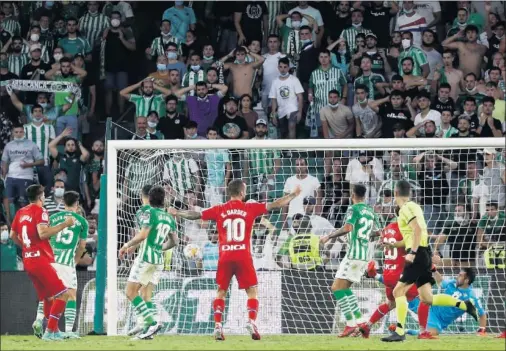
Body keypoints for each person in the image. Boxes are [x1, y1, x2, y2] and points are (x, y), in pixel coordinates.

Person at [169, 179, 302, 341]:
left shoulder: (219, 209)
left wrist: (178, 213)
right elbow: (275, 204)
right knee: (252, 291)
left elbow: (197, 214)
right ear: (241, 193)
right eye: (245, 190)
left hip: (225, 256)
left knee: (221, 291)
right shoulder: (250, 207)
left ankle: (218, 325)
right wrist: (293, 194)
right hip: (243, 256)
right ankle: (251, 322)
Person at [381, 180, 478, 342]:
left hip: (417, 254)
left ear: (395, 193)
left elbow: (417, 230)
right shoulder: (416, 207)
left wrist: (412, 253)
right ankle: (464, 305)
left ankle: (399, 332)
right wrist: (393, 244)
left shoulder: (405, 208)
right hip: (424, 252)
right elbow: (412, 236)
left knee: (398, 292)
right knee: (427, 298)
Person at [10, 184, 75, 340]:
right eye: (44, 195)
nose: (45, 197)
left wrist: (26, 247)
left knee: (47, 297)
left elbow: (13, 235)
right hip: (40, 259)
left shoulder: (20, 212)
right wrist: (65, 224)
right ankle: (50, 331)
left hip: (28, 260)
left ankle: (55, 330)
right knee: (64, 294)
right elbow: (43, 233)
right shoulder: (41, 211)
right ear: (40, 197)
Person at [118, 185, 178, 340]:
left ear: (149, 198)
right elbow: (174, 241)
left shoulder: (149, 212)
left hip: (145, 258)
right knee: (145, 293)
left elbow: (143, 234)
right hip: (158, 260)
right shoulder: (169, 217)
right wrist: (160, 247)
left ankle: (151, 322)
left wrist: (127, 245)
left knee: (130, 292)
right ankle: (147, 329)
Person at [319, 184, 380, 337]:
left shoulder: (353, 209)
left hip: (353, 254)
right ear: (364, 196)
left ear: (353, 195)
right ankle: (358, 323)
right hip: (363, 255)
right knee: (345, 288)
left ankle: (353, 324)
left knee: (336, 288)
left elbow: (347, 228)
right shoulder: (371, 211)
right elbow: (378, 232)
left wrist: (328, 236)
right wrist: (365, 236)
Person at [32, 190, 88, 339]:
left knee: (48, 294)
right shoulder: (82, 222)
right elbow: (82, 246)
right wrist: (75, 261)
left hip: (51, 261)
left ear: (63, 203)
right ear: (77, 204)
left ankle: (38, 320)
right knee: (70, 295)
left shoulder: (54, 217)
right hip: (66, 263)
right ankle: (68, 330)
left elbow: (45, 237)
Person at [360, 221, 430, 339]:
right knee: (425, 298)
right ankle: (422, 332)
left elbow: (382, 239)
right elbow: (412, 248)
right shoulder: (407, 229)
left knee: (390, 304)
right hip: (402, 273)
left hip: (388, 272)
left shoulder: (387, 228)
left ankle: (367, 326)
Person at [424, 268, 487, 338]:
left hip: (443, 322)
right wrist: (434, 270)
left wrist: (482, 329)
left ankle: (412, 332)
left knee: (431, 333)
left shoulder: (471, 297)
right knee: (430, 334)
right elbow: (441, 282)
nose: (457, 277)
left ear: (466, 280)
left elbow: (482, 314)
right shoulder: (452, 283)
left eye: (460, 276)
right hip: (433, 312)